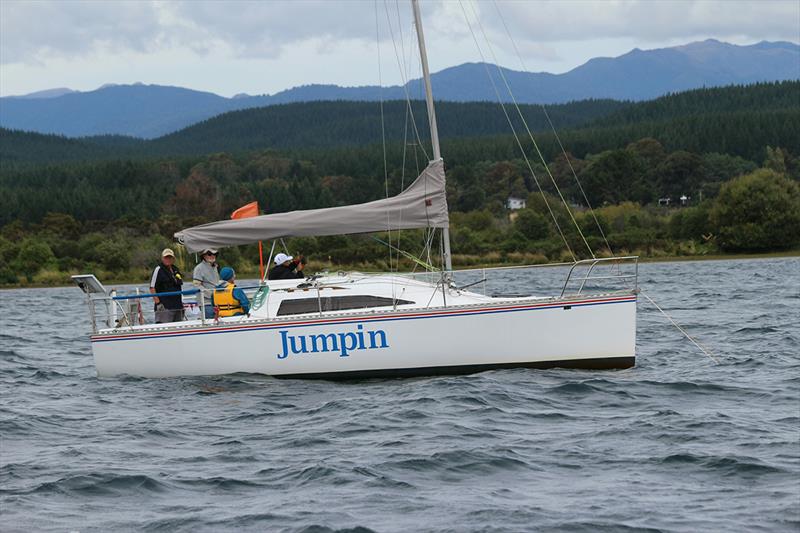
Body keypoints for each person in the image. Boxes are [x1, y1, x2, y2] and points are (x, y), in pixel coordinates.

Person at [150, 248, 184, 323]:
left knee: (179, 329)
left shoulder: (176, 269)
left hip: (178, 306)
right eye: (166, 257)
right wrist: (158, 303)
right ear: (162, 258)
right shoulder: (158, 269)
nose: (168, 259)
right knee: (164, 328)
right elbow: (152, 287)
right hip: (165, 307)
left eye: (170, 257)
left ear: (173, 259)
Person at [192, 248, 219, 319]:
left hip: (217, 301)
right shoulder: (199, 268)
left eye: (215, 254)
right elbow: (197, 285)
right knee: (211, 322)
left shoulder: (215, 267)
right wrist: (211, 294)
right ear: (203, 256)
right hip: (206, 303)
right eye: (209, 254)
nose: (212, 256)